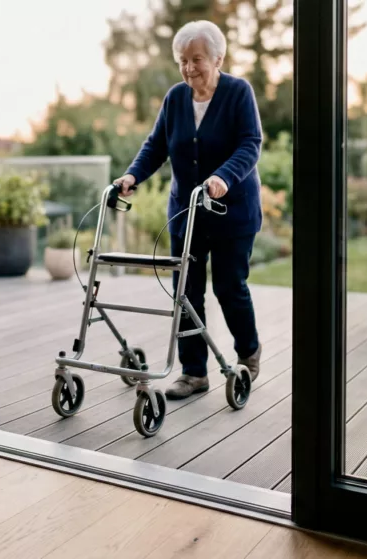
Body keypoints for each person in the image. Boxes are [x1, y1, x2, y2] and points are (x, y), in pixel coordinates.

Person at [113, 20, 263, 400]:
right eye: (183, 60)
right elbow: (156, 146)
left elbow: (250, 143)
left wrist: (224, 176)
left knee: (229, 287)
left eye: (197, 59)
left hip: (232, 213)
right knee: (185, 292)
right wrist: (132, 175)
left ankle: (248, 351)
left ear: (218, 59)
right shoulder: (176, 98)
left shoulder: (238, 92)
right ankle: (193, 372)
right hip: (187, 212)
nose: (189, 68)